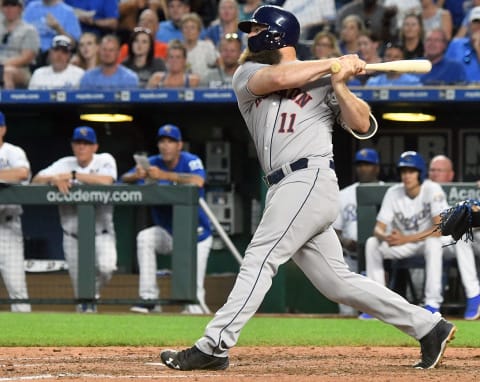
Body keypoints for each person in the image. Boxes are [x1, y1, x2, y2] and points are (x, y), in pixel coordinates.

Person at [160, 5, 456, 372]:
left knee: (261, 257)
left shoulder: (323, 77)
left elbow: (364, 125)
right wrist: (334, 62)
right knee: (338, 283)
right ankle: (429, 327)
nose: (249, 36)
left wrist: (340, 83)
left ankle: (214, 345)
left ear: (276, 33)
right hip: (285, 185)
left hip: (309, 178)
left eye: (255, 29)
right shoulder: (248, 72)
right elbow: (280, 78)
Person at [122, 124, 212, 314]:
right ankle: (149, 298)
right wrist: (135, 176)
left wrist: (164, 175)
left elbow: (198, 181)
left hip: (196, 235)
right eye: (162, 141)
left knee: (193, 300)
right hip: (168, 232)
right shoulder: (152, 162)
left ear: (179, 145)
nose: (165, 145)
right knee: (145, 237)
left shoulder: (190, 160)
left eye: (170, 141)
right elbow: (122, 179)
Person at [31, 126, 118, 313]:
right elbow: (35, 180)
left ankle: (92, 296)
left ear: (95, 146)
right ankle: (85, 323)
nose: (81, 147)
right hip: (72, 236)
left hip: (101, 233)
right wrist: (53, 179)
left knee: (107, 267)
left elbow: (108, 181)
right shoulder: (64, 163)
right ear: (72, 145)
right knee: (80, 291)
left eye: (86, 144)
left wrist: (73, 176)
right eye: (78, 143)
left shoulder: (105, 160)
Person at [364, 151, 446, 318]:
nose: (406, 176)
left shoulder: (432, 189)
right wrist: (385, 237)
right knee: (372, 243)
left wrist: (405, 239)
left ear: (420, 173)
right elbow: (378, 229)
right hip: (404, 245)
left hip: (426, 243)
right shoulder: (394, 192)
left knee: (433, 243)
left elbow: (439, 229)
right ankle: (377, 305)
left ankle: (432, 304)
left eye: (411, 171)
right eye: (403, 171)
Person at [428, 154, 480, 320]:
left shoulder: (473, 189)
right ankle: (474, 296)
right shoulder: (427, 191)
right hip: (454, 240)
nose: (434, 174)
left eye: (439, 170)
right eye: (432, 170)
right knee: (461, 234)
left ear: (451, 174)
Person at [333, 148, 381, 316]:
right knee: (347, 309)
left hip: (379, 258)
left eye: (367, 165)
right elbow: (334, 230)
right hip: (350, 258)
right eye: (360, 165)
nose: (363, 168)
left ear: (377, 168)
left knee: (379, 308)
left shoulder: (389, 191)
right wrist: (345, 241)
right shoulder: (344, 194)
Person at [0, 111, 31, 313]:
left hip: (6, 227)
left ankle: (28, 343)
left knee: (17, 290)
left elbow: (22, 173)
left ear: (3, 129)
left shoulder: (12, 152)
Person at [22, 0, 82, 67]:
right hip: (31, 51)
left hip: (53, 52)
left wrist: (57, 28)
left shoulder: (68, 11)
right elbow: (20, 30)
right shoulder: (31, 7)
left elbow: (73, 44)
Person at [0, 0, 39, 89]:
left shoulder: (29, 30)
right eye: (6, 5)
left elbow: (26, 57)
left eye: (13, 5)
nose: (9, 8)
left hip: (20, 69)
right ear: (1, 8)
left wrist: (2, 65)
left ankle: (8, 102)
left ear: (20, 8)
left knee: (7, 72)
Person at [445, 6, 480, 83]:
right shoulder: (456, 45)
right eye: (475, 23)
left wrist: (478, 49)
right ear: (469, 26)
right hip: (460, 91)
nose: (478, 27)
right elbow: (446, 71)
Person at [181, 12, 218, 79]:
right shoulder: (177, 49)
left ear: (199, 31)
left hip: (205, 86)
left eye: (192, 28)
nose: (189, 31)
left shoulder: (207, 46)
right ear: (182, 30)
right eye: (186, 27)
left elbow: (219, 64)